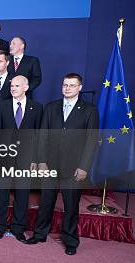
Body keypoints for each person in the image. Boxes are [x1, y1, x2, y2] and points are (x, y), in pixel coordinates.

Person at [25, 73, 99, 256]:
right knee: (46, 202)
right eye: (65, 85)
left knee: (71, 206)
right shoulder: (51, 107)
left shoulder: (89, 110)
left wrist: (84, 166)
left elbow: (91, 140)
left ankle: (70, 240)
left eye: (72, 85)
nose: (67, 88)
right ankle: (40, 234)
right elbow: (42, 136)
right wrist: (41, 161)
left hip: (74, 168)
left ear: (80, 87)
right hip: (49, 165)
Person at [0, 75, 42, 242]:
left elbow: (39, 136)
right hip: (4, 157)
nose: (13, 88)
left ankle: (18, 228)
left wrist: (36, 159)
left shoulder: (36, 108)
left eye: (17, 86)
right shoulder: (2, 106)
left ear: (26, 88)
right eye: (12, 86)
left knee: (22, 195)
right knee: (1, 194)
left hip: (26, 158)